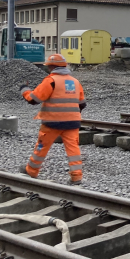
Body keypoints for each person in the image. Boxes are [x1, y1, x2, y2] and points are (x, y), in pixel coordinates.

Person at [19, 54, 86, 185]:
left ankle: (32, 171)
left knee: (42, 146)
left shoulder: (51, 81)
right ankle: (76, 177)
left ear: (51, 67)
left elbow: (34, 99)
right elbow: (82, 103)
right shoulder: (75, 82)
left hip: (52, 122)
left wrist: (24, 90)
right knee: (73, 149)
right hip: (72, 122)